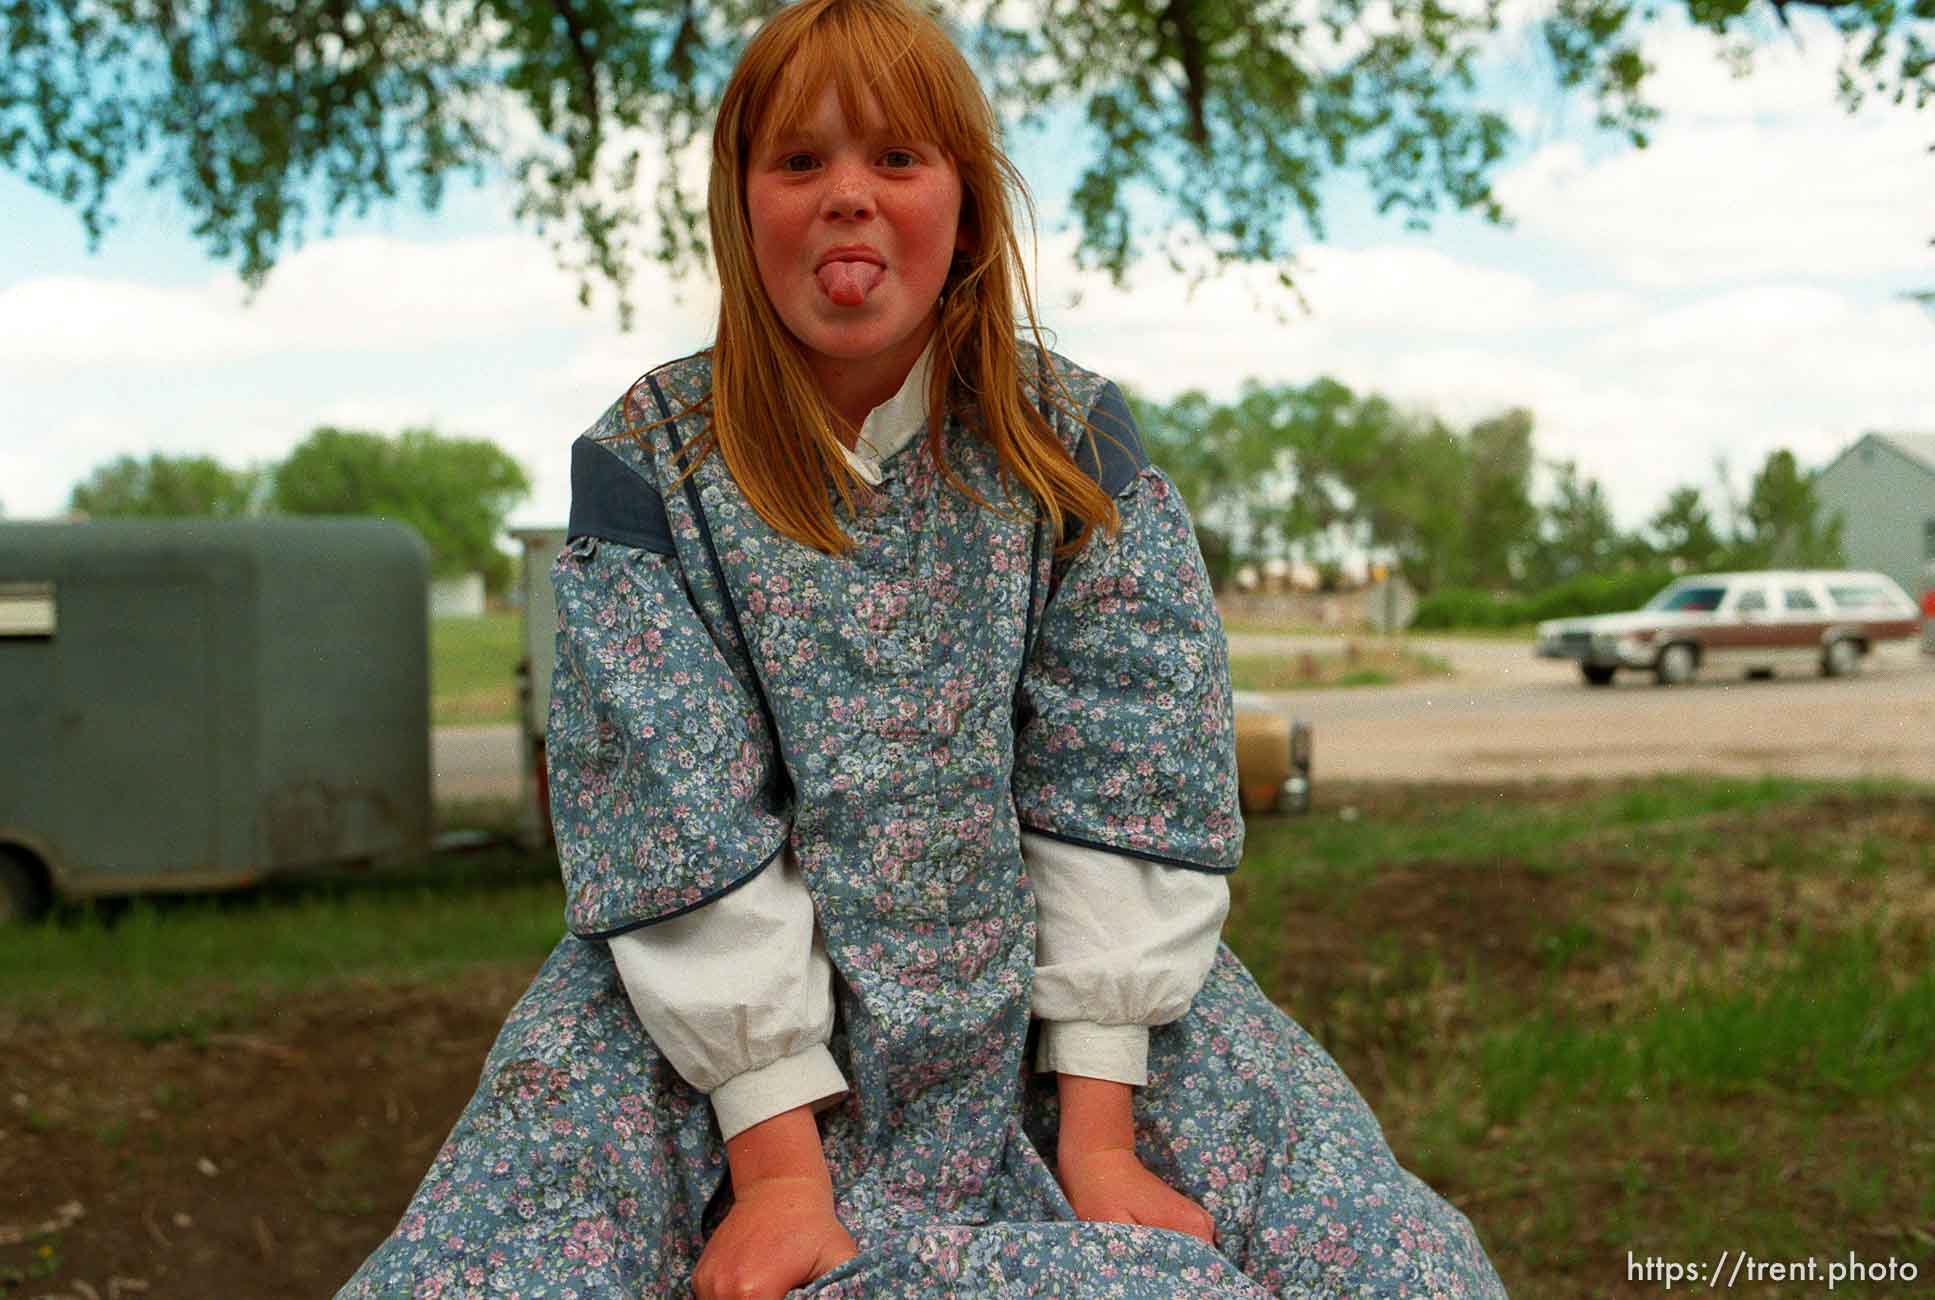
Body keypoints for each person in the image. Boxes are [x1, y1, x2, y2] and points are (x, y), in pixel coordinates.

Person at [339, 1, 1509, 1295]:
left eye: (896, 159)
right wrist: (781, 1168)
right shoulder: (651, 461)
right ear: (742, 206)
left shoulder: (1065, 442)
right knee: (513, 1255)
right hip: (725, 1021)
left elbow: (1126, 771)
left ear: (963, 206)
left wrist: (1101, 1143)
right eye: (800, 163)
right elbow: (673, 819)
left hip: (1054, 988)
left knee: (1376, 1254)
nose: (848, 195)